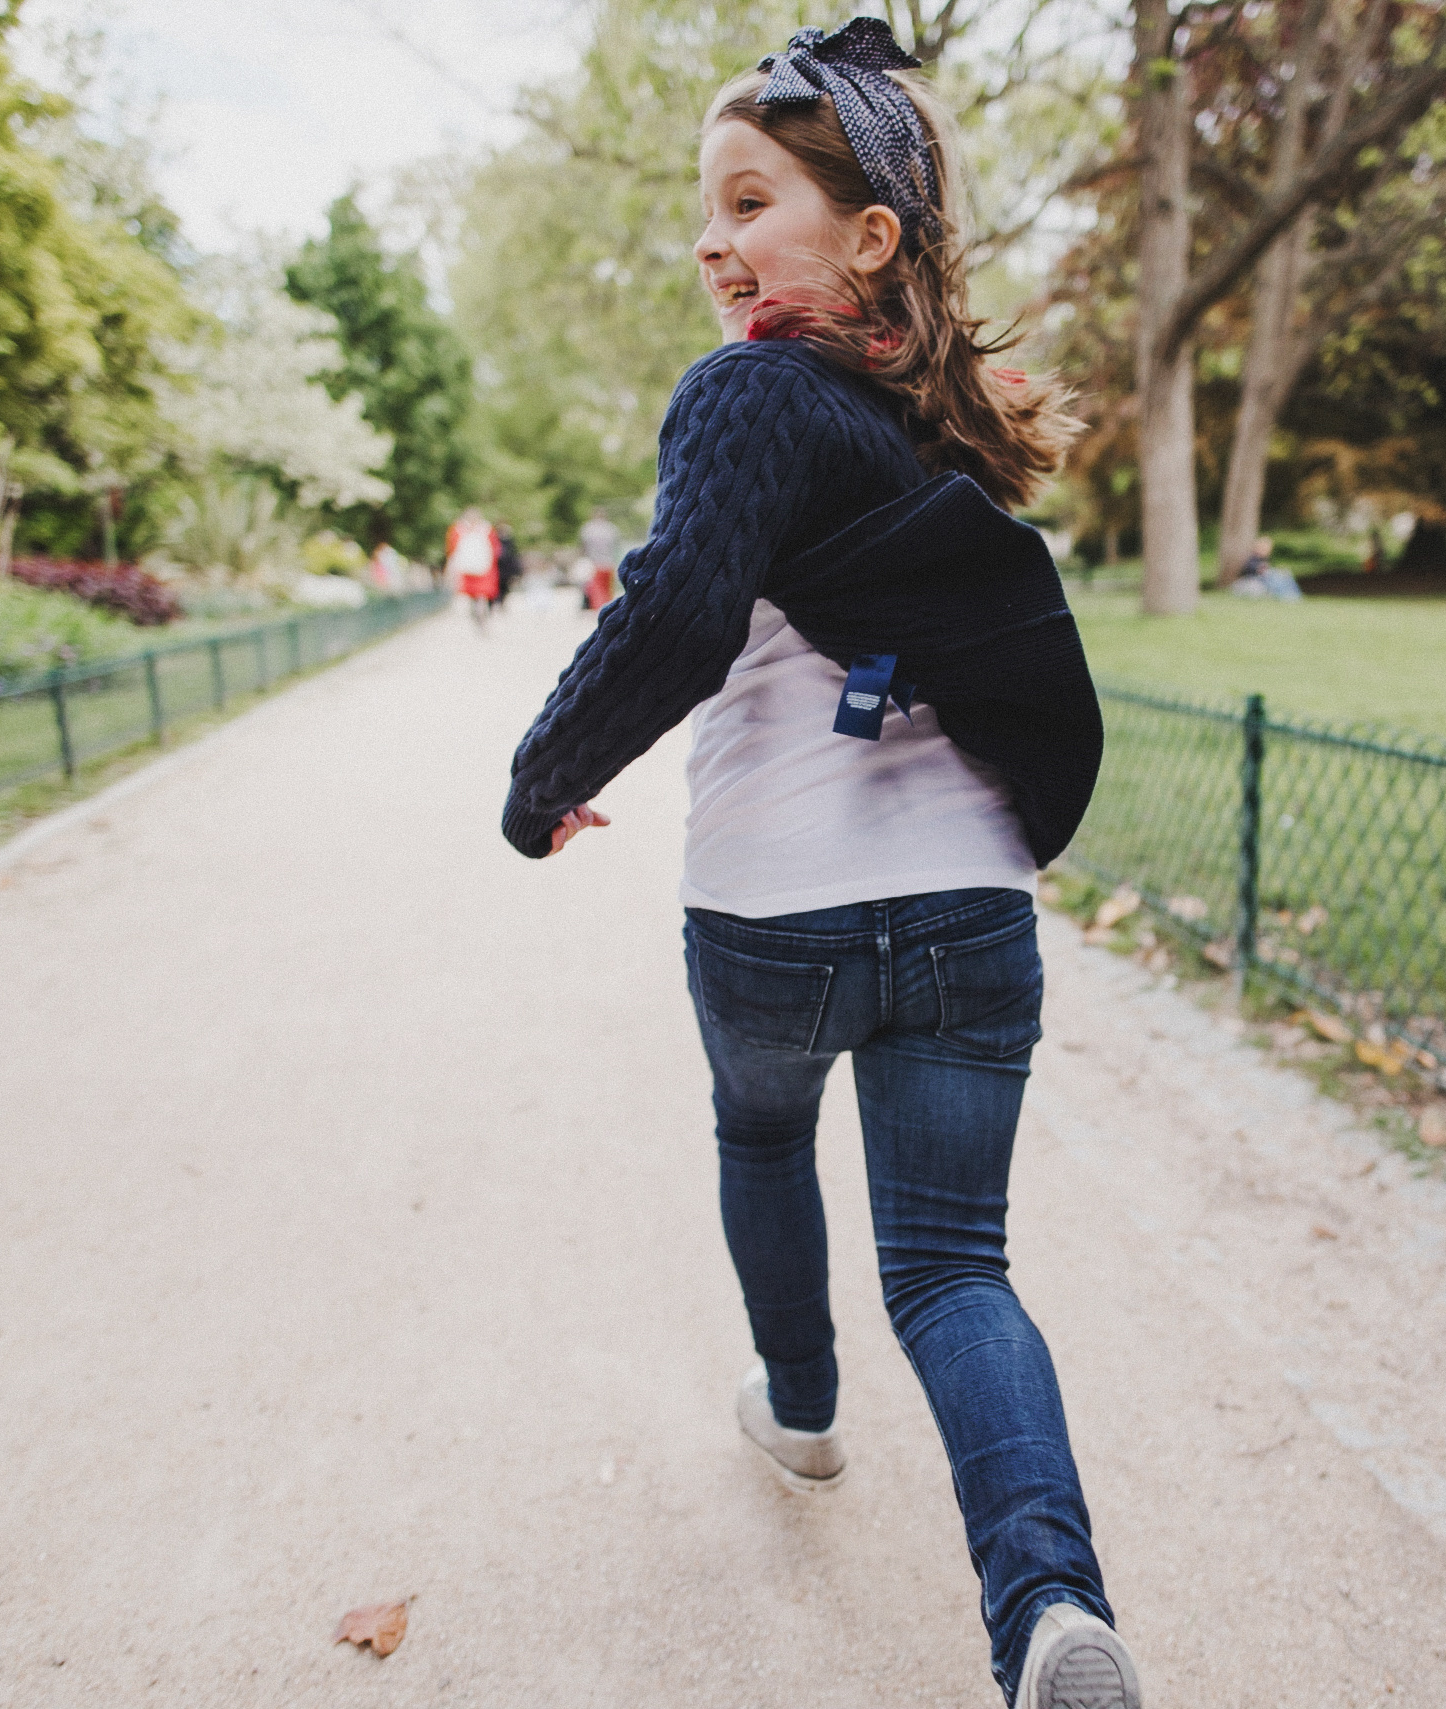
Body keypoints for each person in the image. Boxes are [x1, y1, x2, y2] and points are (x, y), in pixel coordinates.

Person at [498, 22, 1136, 1708]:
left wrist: (542, 777)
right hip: (965, 903)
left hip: (772, 904)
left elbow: (684, 610)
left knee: (761, 1124)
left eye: (750, 199)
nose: (712, 240)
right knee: (956, 1267)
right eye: (703, 209)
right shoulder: (960, 436)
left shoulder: (743, 392)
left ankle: (797, 1402)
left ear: (870, 240)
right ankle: (1055, 1615)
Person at [447, 508, 498, 625]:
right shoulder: (487, 529)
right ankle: (481, 615)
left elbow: (451, 549)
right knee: (481, 595)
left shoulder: (458, 529)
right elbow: (495, 549)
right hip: (484, 568)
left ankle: (476, 614)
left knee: (470, 594)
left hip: (465, 568)